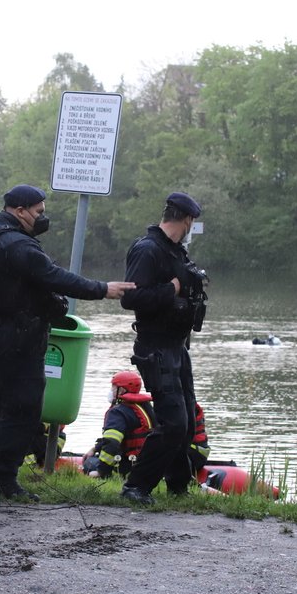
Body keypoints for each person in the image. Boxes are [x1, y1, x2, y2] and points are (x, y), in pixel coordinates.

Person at [0, 184, 134, 500]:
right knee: (24, 408)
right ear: (19, 210)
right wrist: (102, 289)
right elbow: (55, 276)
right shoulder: (18, 245)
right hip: (16, 338)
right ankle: (5, 480)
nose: (43, 217)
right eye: (38, 211)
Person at [118, 192, 207, 505]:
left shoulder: (175, 252)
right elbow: (130, 297)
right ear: (185, 220)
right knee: (173, 423)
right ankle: (136, 486)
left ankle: (178, 488)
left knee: (187, 424)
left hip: (176, 346)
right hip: (155, 346)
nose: (190, 229)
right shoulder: (148, 249)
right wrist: (173, 288)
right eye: (191, 224)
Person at [83, 371, 156, 478]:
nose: (111, 391)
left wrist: (101, 471)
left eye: (113, 387)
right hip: (147, 463)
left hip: (127, 465)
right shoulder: (146, 407)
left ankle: (108, 475)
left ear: (121, 390)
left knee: (89, 462)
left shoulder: (117, 412)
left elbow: (112, 442)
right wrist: (95, 448)